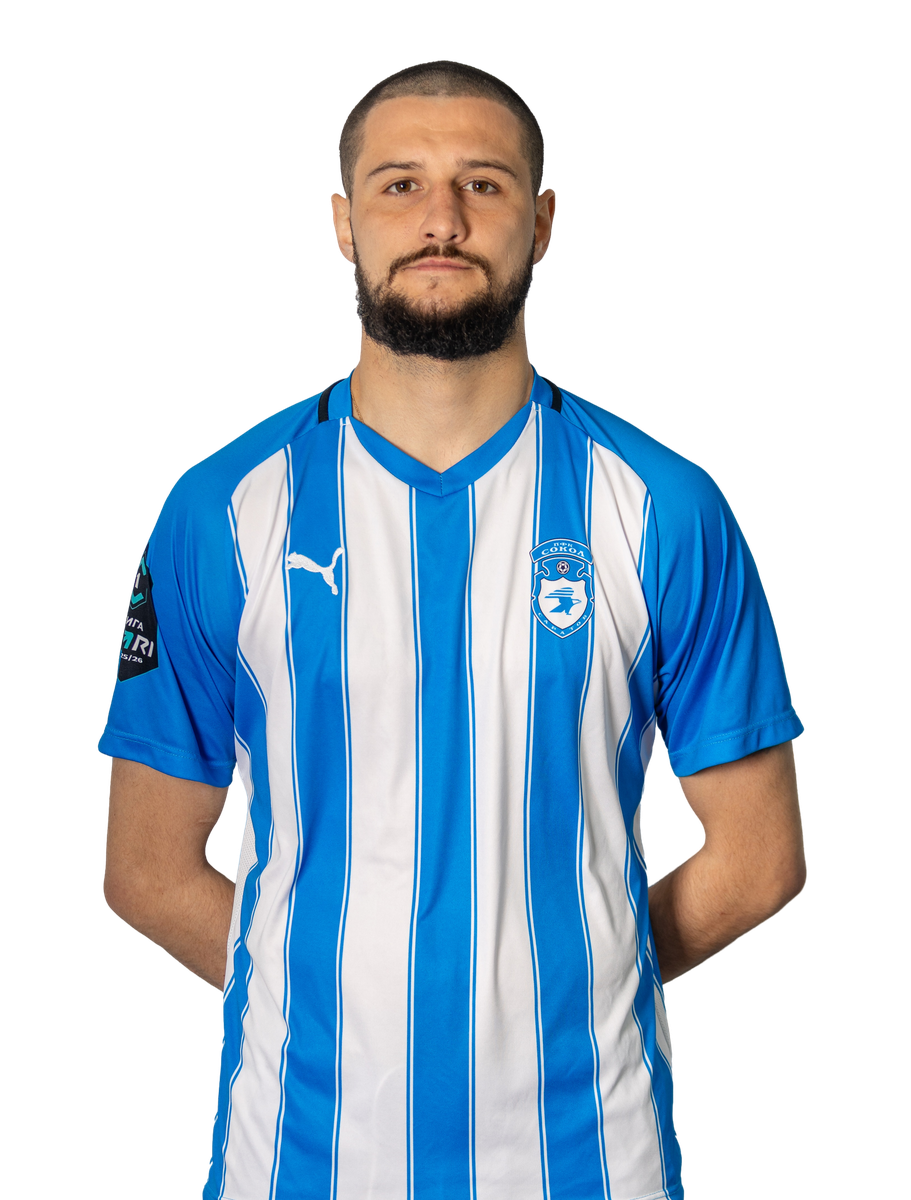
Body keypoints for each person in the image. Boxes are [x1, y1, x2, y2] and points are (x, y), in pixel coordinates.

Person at [99, 61, 806, 1200]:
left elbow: (759, 860)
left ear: (543, 220)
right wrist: (329, 996)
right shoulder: (219, 511)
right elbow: (144, 870)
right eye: (399, 185)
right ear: (342, 223)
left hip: (591, 1163)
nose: (441, 220)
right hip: (298, 1163)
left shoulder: (664, 508)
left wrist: (576, 984)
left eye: (482, 183)